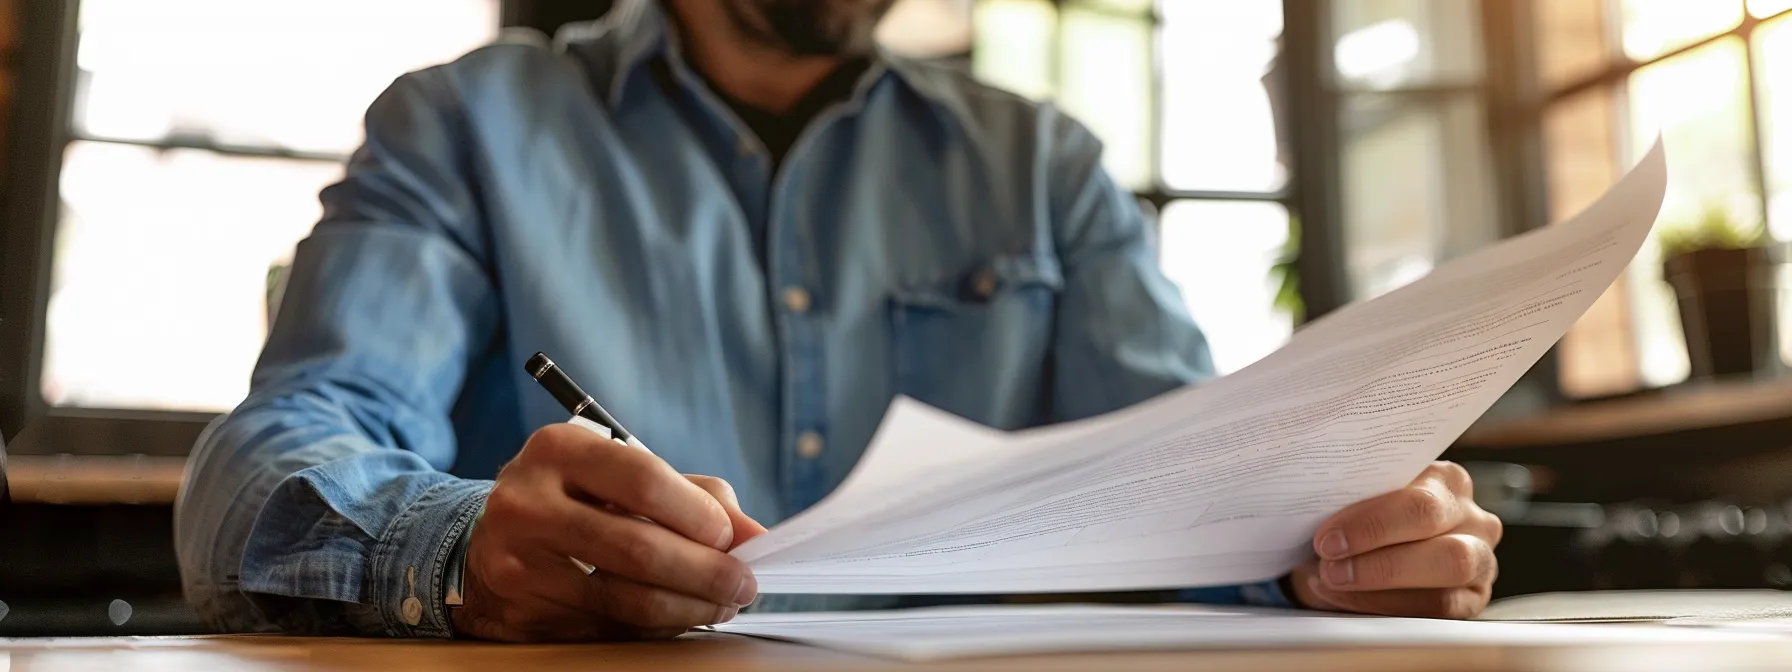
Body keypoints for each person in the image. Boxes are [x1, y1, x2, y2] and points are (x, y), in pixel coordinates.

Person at [174, 0, 1502, 642]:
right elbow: (261, 469)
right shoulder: (468, 130)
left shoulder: (1046, 171)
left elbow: (1206, 498)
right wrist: (460, 545)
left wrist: (1325, 548)